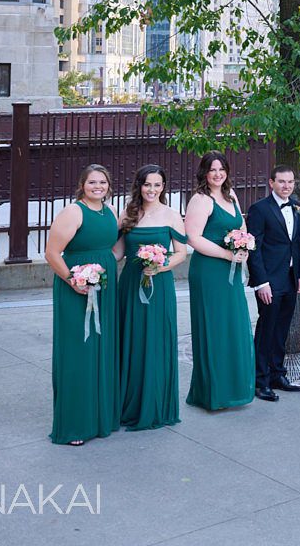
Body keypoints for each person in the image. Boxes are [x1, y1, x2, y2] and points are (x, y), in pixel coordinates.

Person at [46, 164, 122, 445]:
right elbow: (52, 253)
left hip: (104, 285)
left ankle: (102, 417)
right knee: (79, 350)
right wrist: (72, 280)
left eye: (102, 182)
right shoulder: (73, 212)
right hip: (76, 287)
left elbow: (114, 249)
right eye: (92, 182)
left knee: (102, 348)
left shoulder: (110, 211)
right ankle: (76, 425)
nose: (98, 187)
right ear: (82, 184)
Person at [116, 164, 187, 430]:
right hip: (131, 284)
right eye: (147, 184)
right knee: (131, 340)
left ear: (163, 187)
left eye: (157, 185)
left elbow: (181, 252)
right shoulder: (128, 213)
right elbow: (118, 251)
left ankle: (155, 403)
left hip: (160, 286)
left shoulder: (171, 215)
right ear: (139, 186)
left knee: (156, 341)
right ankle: (128, 404)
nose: (152, 189)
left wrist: (161, 265)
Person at [184, 151, 256, 411]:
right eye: (212, 169)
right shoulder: (201, 200)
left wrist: (244, 247)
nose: (217, 174)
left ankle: (234, 389)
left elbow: (241, 228)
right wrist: (228, 254)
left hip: (232, 270)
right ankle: (213, 393)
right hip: (210, 270)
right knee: (214, 329)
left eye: (221, 169)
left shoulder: (231, 195)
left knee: (233, 327)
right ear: (204, 172)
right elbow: (193, 237)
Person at [246, 164, 300, 401]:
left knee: (281, 330)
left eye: (290, 182)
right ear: (271, 183)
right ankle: (260, 381)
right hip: (269, 281)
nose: (286, 186)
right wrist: (261, 283)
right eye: (282, 182)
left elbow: (297, 243)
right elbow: (254, 249)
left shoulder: (295, 207)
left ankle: (277, 374)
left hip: (291, 278)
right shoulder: (259, 210)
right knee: (266, 330)